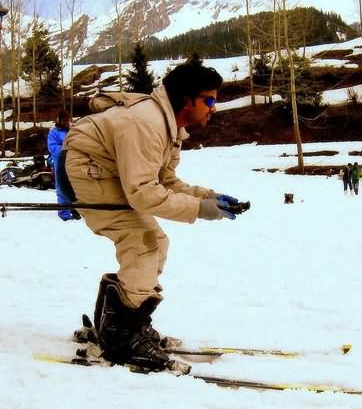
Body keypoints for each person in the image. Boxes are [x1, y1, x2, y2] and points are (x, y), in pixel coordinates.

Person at [61, 58, 244, 372]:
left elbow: (166, 182)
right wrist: (199, 209)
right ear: (186, 100)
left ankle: (119, 327)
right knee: (143, 242)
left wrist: (208, 197)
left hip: (104, 170)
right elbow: (144, 193)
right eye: (209, 100)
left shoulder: (169, 126)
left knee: (154, 241)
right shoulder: (147, 123)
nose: (213, 108)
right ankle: (121, 340)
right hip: (88, 171)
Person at [47, 112, 81, 221]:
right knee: (62, 187)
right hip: (60, 164)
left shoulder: (74, 131)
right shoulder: (54, 133)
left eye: (68, 120)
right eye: (64, 121)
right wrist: (66, 150)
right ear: (58, 121)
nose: (66, 123)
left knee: (75, 186)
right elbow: (53, 148)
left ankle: (75, 209)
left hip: (74, 163)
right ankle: (64, 212)